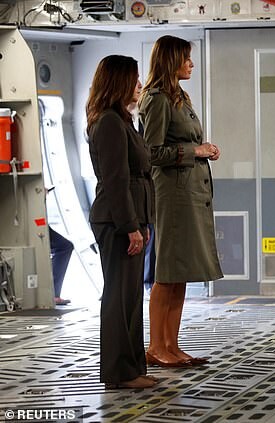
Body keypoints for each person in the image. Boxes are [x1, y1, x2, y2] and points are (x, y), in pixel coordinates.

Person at [138, 35, 223, 367]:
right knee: (167, 272)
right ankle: (156, 347)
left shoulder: (179, 96)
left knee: (180, 272)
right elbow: (151, 152)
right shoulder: (157, 99)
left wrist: (204, 149)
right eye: (186, 58)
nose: (191, 64)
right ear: (171, 60)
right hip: (172, 196)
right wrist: (195, 150)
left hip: (188, 193)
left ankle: (171, 346)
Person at [86, 55, 157, 389]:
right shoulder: (110, 123)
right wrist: (130, 226)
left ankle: (132, 368)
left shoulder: (123, 120)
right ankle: (119, 373)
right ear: (119, 82)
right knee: (118, 298)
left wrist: (140, 223)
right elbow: (116, 180)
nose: (140, 85)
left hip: (130, 218)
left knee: (130, 298)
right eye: (134, 79)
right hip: (116, 222)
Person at [49, 225, 73, 305]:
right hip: (36, 221)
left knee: (64, 246)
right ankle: (53, 294)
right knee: (64, 247)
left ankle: (52, 293)